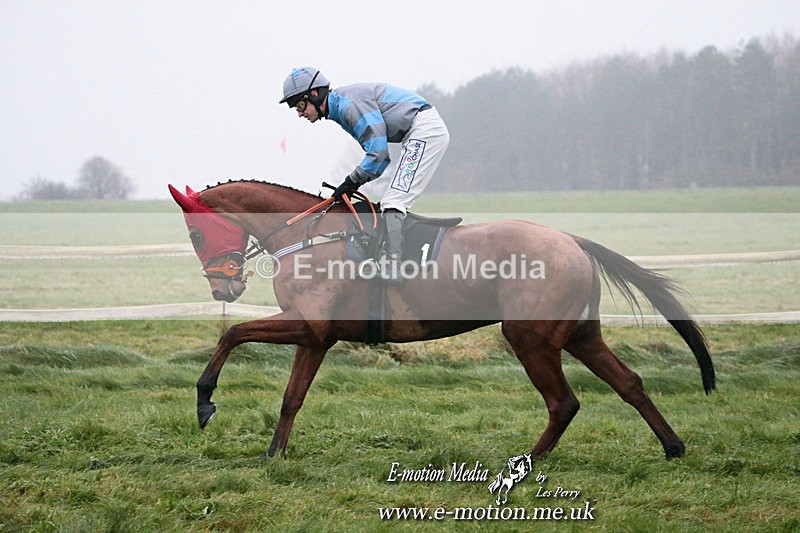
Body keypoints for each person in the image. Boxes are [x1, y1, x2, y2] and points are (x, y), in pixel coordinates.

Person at [279, 67, 450, 285]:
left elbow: (378, 154)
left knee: (394, 201)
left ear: (314, 94)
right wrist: (352, 183)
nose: (299, 113)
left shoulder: (349, 106)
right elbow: (380, 160)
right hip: (417, 131)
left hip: (425, 130)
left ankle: (393, 267)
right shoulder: (340, 108)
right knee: (391, 201)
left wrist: (351, 182)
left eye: (300, 105)